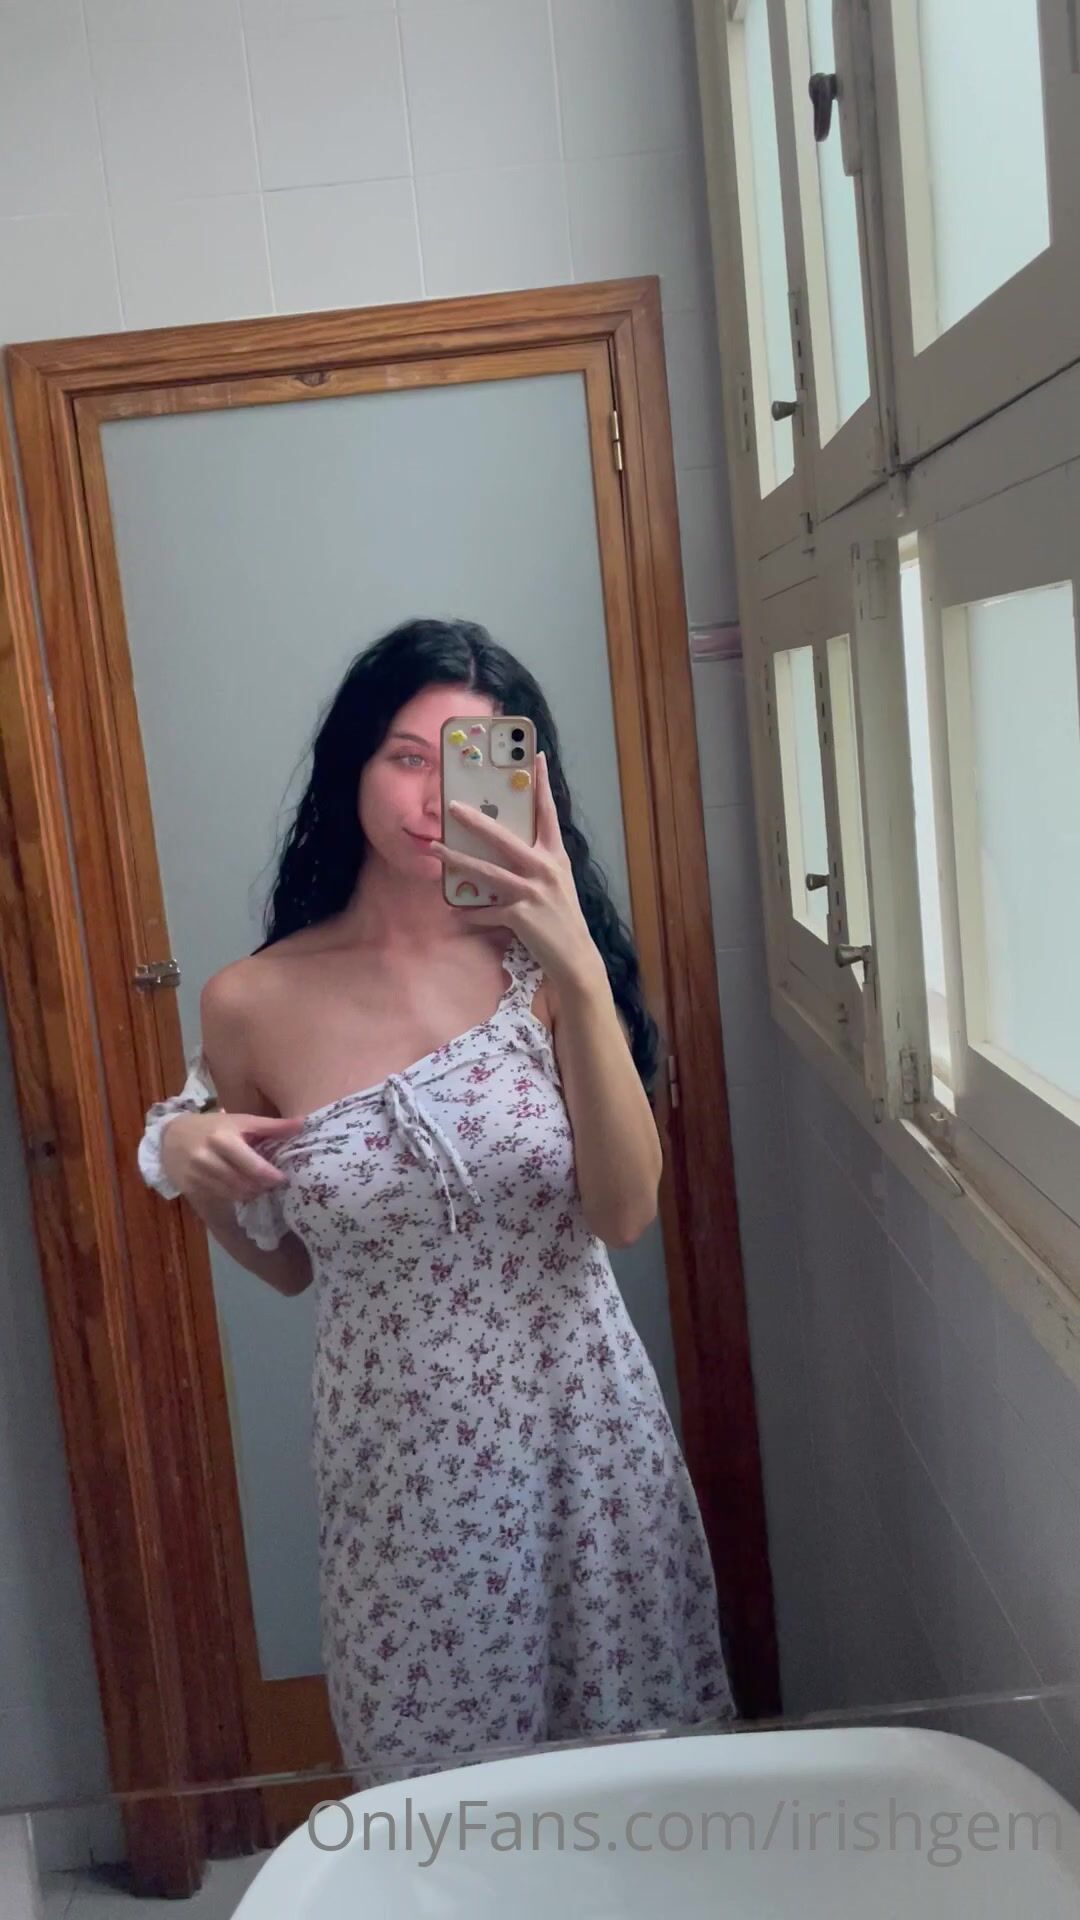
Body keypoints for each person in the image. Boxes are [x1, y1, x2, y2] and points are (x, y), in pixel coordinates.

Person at [138, 617, 734, 1784]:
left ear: (522, 781)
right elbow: (290, 1265)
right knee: (440, 1797)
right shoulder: (251, 1002)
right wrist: (193, 1160)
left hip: (585, 1434)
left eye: (468, 762)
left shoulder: (545, 969)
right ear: (352, 765)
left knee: (637, 1777)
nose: (431, 799)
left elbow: (623, 1214)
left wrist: (574, 964)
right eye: (405, 756)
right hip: (403, 1468)